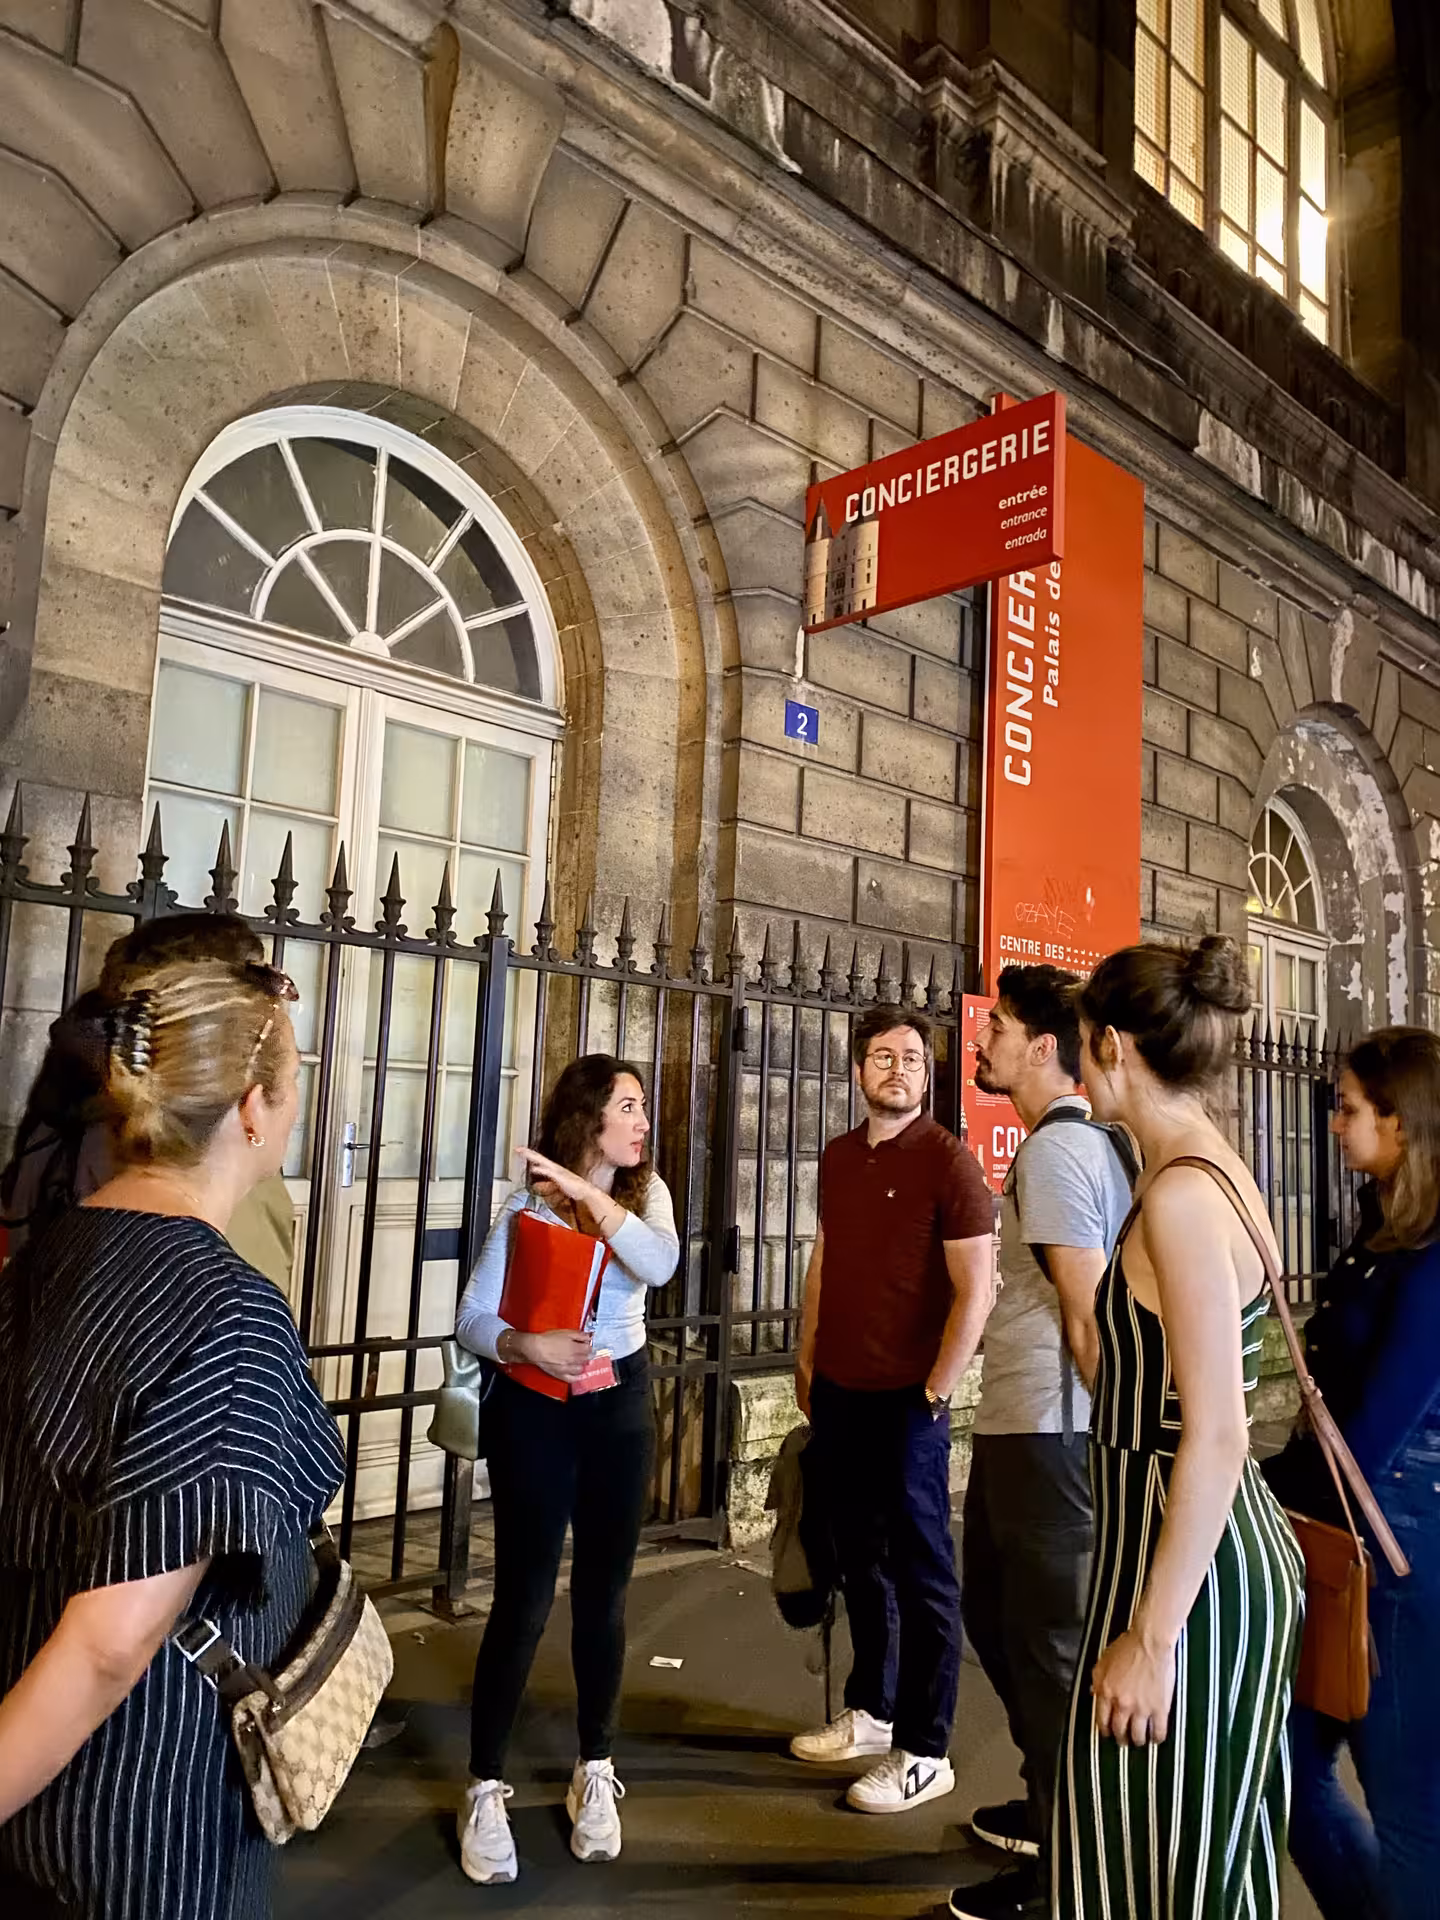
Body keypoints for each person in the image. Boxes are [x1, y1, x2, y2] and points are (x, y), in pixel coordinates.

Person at [0, 956, 343, 1918]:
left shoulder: (48, 1254)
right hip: (140, 1816)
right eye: (293, 1085)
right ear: (250, 1107)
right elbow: (113, 1642)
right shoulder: (226, 1309)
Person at [1050, 936, 1303, 1920]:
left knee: (1163, 1857)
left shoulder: (1187, 1195)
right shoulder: (1203, 1170)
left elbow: (1221, 1432)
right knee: (1166, 1849)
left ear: (1114, 1045)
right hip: (1182, 1551)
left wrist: (1153, 1640)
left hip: (1188, 1571)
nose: (1076, 1063)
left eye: (1080, 1043)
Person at [453, 1055, 680, 1885]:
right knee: (522, 1594)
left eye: (643, 1107)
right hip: (535, 1408)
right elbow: (473, 1316)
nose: (643, 1122)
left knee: (604, 1595)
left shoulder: (643, 1197)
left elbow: (659, 1266)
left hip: (616, 1408)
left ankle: (595, 1766)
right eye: (628, 1107)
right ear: (590, 1119)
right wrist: (526, 1344)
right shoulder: (521, 1206)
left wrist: (588, 1199)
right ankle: (484, 1785)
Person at [951, 966, 1135, 1920]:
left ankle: (1069, 1874)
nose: (983, 1039)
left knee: (1049, 1649)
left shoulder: (1059, 1154)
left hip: (1054, 1438)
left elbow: (1086, 1316)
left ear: (1042, 1048)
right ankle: (1049, 1806)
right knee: (1005, 1622)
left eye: (1001, 1026)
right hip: (1030, 1430)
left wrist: (1119, 1444)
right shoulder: (1060, 1147)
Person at [791, 1004, 995, 1814]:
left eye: (912, 1057)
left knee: (923, 1573)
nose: (899, 1069)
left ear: (928, 1074)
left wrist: (938, 1389)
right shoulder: (839, 1157)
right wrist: (807, 1352)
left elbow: (977, 1290)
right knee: (856, 1561)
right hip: (840, 1388)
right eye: (883, 1057)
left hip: (910, 1400)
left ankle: (926, 1747)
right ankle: (873, 1714)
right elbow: (825, 1257)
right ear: (857, 1073)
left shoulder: (950, 1163)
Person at [1264, 1028, 1440, 1919]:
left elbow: (1367, 1436)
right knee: (1280, 1773)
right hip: (1343, 1546)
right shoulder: (1379, 1229)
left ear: (1402, 1123)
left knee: (1412, 1815)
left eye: (1347, 1107)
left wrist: (1252, 1490)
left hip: (1403, 1559)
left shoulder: (1434, 1254)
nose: (1332, 1123)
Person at [1, 912, 297, 1290]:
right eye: (247, 984)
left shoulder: (67, 1100)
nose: (262, 1002)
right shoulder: (210, 1152)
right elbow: (247, 1305)